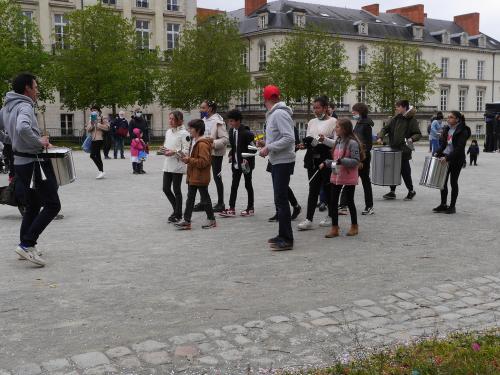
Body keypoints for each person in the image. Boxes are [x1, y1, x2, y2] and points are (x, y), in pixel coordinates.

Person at [0, 73, 61, 267]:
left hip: (20, 162)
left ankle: (25, 246)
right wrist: (39, 142)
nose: (37, 90)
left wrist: (12, 141)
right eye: (35, 86)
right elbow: (23, 128)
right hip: (34, 162)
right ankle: (27, 244)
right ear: (27, 88)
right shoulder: (25, 105)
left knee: (33, 205)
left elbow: (10, 132)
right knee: (53, 204)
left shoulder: (6, 107)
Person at [258, 85, 296, 251]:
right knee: (279, 200)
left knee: (281, 200)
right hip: (277, 160)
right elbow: (281, 137)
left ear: (265, 98)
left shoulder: (279, 113)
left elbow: (289, 138)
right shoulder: (275, 113)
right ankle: (282, 234)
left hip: (283, 161)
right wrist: (266, 144)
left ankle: (287, 239)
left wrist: (269, 147)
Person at [297, 95, 336, 231]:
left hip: (326, 158)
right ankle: (309, 219)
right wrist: (305, 144)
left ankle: (331, 216)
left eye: (318, 107)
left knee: (328, 187)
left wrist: (324, 139)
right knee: (313, 188)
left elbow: (336, 143)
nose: (315, 110)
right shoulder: (312, 122)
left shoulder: (333, 121)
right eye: (314, 108)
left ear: (325, 108)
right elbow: (311, 139)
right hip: (312, 158)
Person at [321, 118, 362, 238]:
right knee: (333, 202)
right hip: (337, 175)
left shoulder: (352, 143)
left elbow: (355, 161)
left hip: (349, 176)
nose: (335, 129)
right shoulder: (338, 141)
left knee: (349, 201)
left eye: (337, 127)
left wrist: (341, 161)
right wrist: (327, 162)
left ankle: (354, 226)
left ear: (344, 129)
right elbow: (335, 159)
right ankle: (334, 228)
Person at [175, 119, 217, 230]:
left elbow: (204, 162)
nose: (189, 130)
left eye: (191, 128)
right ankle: (187, 221)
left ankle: (212, 220)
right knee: (190, 198)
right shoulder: (195, 141)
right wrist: (186, 159)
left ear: (197, 130)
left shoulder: (202, 144)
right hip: (194, 175)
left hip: (200, 176)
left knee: (205, 199)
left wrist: (189, 160)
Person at [377, 100, 422, 200]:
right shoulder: (395, 118)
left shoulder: (411, 119)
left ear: (404, 107)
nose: (396, 108)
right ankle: (392, 192)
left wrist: (411, 138)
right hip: (393, 149)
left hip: (404, 150)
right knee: (392, 171)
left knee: (405, 171)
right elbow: (385, 128)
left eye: (398, 106)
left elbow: (418, 134)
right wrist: (380, 136)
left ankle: (411, 191)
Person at [339, 103, 375, 215]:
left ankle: (369, 206)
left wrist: (361, 158)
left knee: (364, 181)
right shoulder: (359, 123)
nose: (352, 112)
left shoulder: (366, 125)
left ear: (360, 111)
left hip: (362, 157)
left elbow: (368, 144)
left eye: (354, 111)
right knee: (350, 179)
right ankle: (343, 205)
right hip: (357, 155)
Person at [219, 109, 256, 217]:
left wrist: (246, 159)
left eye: (232, 121)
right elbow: (235, 146)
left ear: (238, 121)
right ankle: (231, 208)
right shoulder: (231, 131)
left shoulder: (247, 133)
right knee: (234, 185)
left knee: (248, 184)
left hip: (246, 164)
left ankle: (250, 208)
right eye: (229, 121)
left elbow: (253, 148)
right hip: (236, 164)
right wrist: (231, 153)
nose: (230, 123)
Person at [194, 100, 228, 213]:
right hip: (203, 153)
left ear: (210, 108)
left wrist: (212, 144)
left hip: (215, 154)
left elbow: (225, 140)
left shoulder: (218, 121)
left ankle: (221, 203)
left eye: (203, 108)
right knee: (202, 177)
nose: (201, 110)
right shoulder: (203, 121)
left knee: (217, 177)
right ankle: (204, 202)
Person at [433, 111, 469, 214]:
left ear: (457, 119)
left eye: (451, 117)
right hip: (446, 157)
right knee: (442, 182)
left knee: (453, 182)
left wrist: (448, 158)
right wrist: (437, 153)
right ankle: (443, 204)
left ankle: (452, 207)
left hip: (456, 160)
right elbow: (444, 144)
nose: (448, 119)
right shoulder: (448, 129)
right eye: (448, 117)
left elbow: (459, 148)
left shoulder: (463, 131)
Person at [267, 124, 302, 222]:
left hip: (285, 159)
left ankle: (293, 206)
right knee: (277, 185)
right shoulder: (272, 125)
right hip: (273, 158)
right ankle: (279, 211)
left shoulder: (289, 126)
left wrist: (284, 151)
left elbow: (295, 144)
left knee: (282, 185)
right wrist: (265, 144)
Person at [162, 111, 190, 223]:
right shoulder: (168, 131)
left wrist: (173, 152)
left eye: (173, 119)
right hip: (168, 164)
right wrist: (163, 149)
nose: (170, 121)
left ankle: (177, 214)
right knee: (165, 188)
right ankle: (177, 210)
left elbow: (186, 151)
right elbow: (166, 145)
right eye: (169, 119)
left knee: (176, 189)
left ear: (179, 120)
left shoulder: (185, 133)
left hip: (178, 164)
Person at [86, 106, 109, 179]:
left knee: (92, 155)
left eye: (95, 110)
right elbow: (88, 129)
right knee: (97, 155)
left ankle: (101, 171)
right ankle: (101, 171)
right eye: (92, 111)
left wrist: (98, 124)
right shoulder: (91, 119)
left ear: (98, 111)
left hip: (100, 138)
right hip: (93, 139)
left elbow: (107, 127)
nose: (94, 112)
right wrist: (92, 124)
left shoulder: (103, 117)